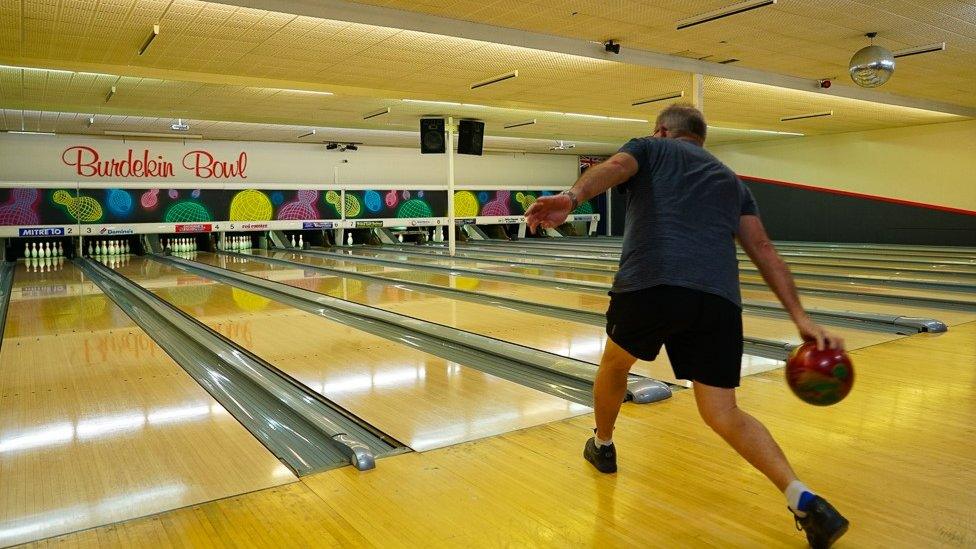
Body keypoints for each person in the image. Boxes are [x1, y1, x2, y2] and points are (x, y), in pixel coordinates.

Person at [524, 104, 849, 548]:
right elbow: (763, 248)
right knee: (723, 412)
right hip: (716, 300)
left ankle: (603, 444)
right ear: (701, 139)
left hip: (650, 283)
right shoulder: (731, 180)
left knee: (615, 366)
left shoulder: (650, 148)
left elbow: (616, 166)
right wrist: (801, 319)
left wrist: (571, 198)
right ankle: (803, 498)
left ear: (661, 131)